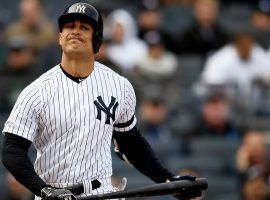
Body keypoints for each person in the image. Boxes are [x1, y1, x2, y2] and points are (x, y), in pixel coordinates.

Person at [1, 2, 202, 200]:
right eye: (70, 26)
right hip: (54, 192)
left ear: (97, 39)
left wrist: (168, 179)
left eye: (84, 27)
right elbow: (12, 151)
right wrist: (44, 190)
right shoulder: (36, 91)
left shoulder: (119, 86)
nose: (75, 31)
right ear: (60, 37)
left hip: (101, 192)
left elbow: (131, 144)